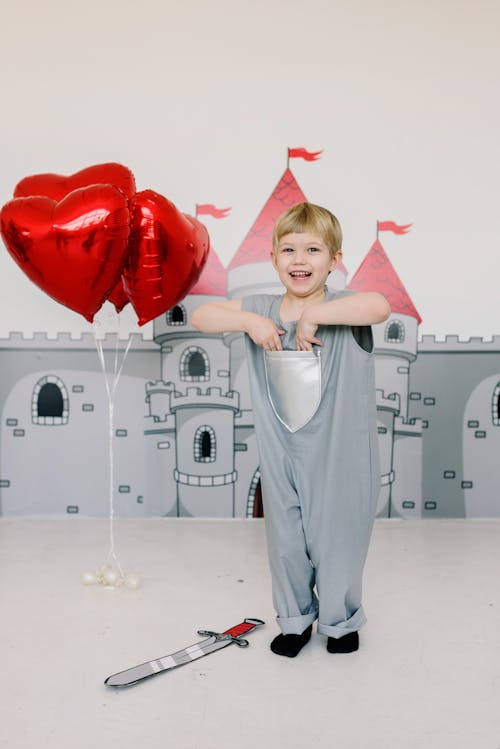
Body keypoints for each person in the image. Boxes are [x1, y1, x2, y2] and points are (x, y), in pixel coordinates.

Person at [192, 202, 390, 657]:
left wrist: (314, 316)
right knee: (286, 536)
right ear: (274, 258)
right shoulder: (262, 307)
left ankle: (340, 622)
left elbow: (379, 306)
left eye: (313, 250)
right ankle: (295, 619)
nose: (300, 260)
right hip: (282, 447)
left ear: (334, 260)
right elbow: (204, 317)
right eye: (289, 250)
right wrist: (248, 320)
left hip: (341, 452)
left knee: (337, 537)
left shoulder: (345, 306)